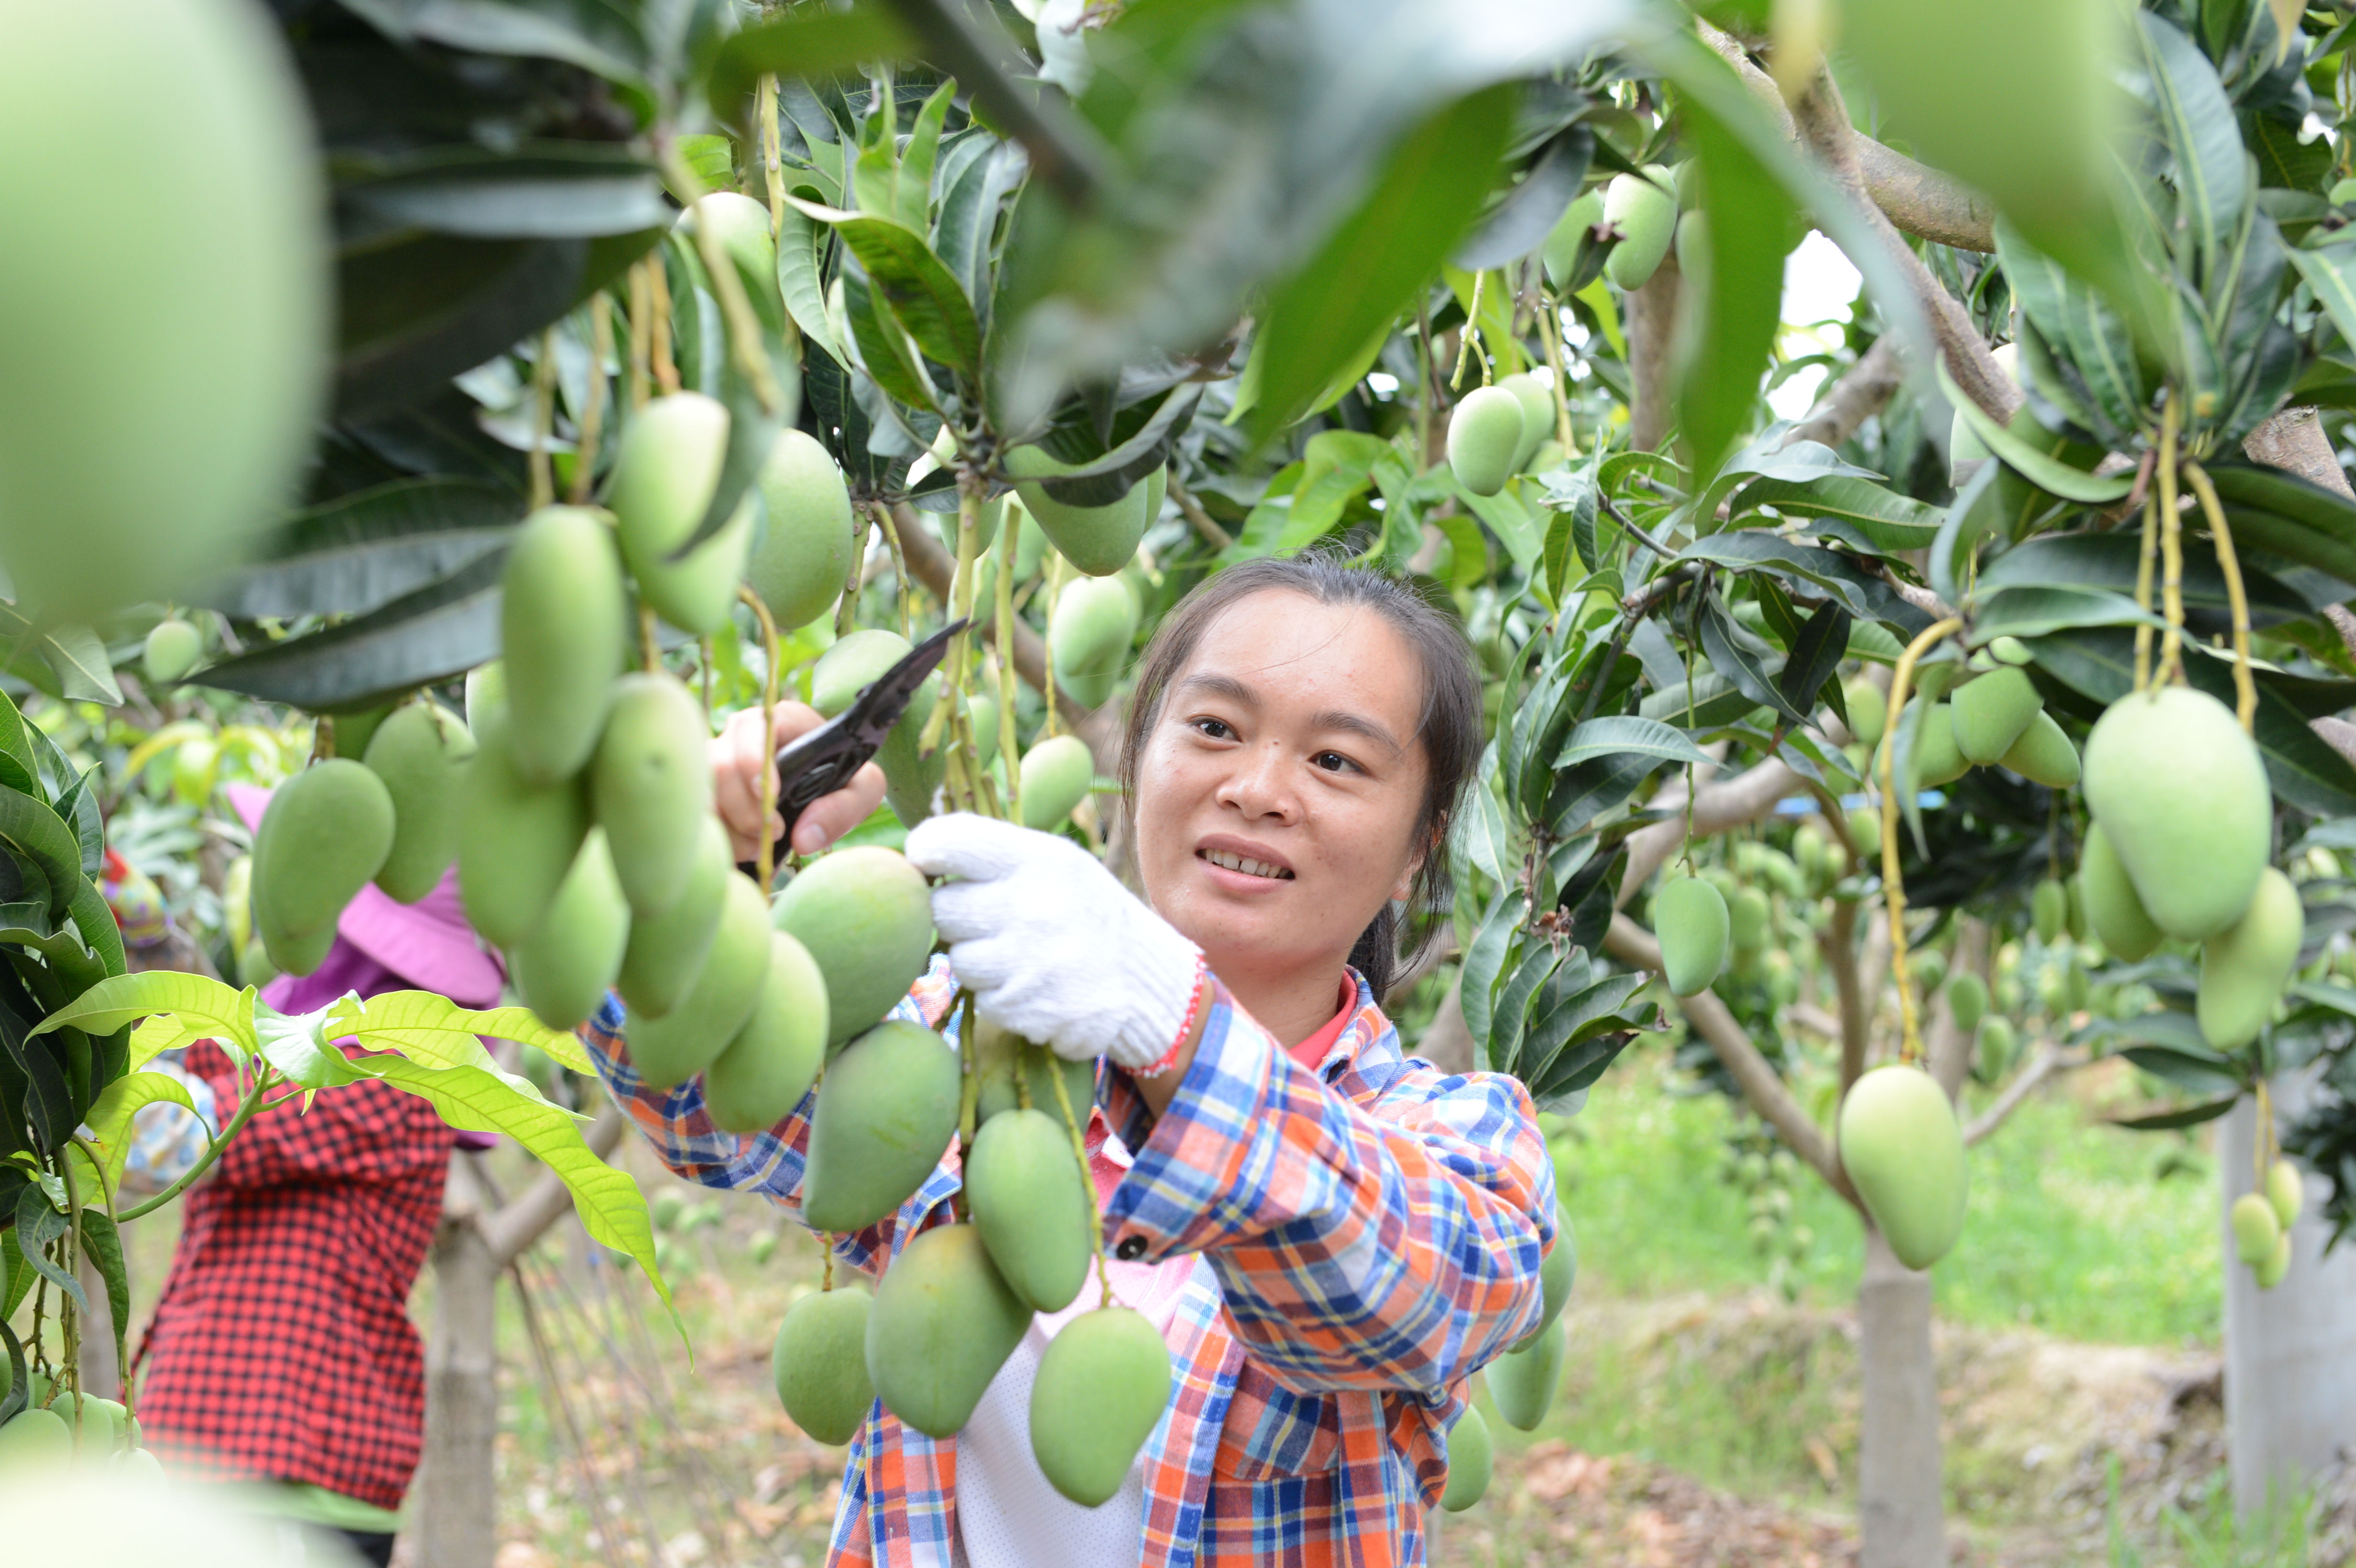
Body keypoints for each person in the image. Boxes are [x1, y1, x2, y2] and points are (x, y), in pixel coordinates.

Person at [585, 555, 1559, 1566]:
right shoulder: (950, 1057)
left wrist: (1172, 1021)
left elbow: (1428, 1297)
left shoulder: (1459, 1136)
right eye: (1215, 727)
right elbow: (702, 1102)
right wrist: (691, 880)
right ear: (1139, 760)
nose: (1258, 789)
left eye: (1336, 761)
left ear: (1419, 845)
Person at [121, 784, 507, 1568]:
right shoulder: (316, 1058)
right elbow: (211, 1069)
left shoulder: (388, 1073)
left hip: (282, 1462)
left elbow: (169, 1138)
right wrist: (158, 949)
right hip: (231, 1448)